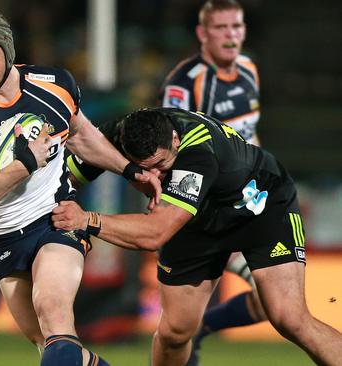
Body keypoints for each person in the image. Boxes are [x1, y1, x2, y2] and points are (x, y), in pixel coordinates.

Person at [0, 11, 159, 366]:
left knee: (55, 315)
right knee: (55, 349)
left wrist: (130, 171)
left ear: (5, 48)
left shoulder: (55, 83)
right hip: (4, 240)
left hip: (56, 221)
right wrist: (24, 165)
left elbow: (83, 135)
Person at [51, 107, 342, 366]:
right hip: (194, 219)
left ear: (175, 140)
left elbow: (155, 234)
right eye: (143, 167)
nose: (153, 175)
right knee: (174, 332)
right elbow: (64, 178)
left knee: (289, 318)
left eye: (160, 165)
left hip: (260, 207)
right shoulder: (119, 135)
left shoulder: (199, 154)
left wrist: (87, 219)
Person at [159, 1, 265, 363]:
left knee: (271, 299)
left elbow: (250, 136)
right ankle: (192, 336)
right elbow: (166, 152)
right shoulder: (186, 83)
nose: (231, 35)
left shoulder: (250, 69)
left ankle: (204, 327)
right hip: (203, 212)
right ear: (203, 34)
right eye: (221, 28)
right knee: (179, 325)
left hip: (244, 206)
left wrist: (260, 186)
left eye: (236, 26)